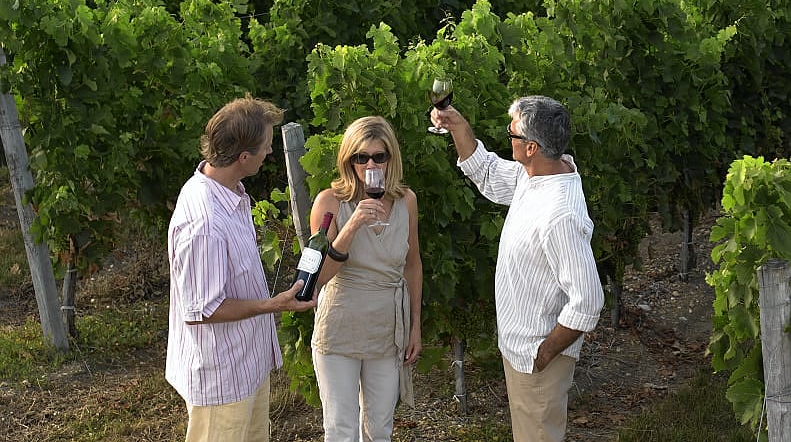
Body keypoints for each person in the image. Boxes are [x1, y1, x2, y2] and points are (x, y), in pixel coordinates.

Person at [430, 94, 605, 442]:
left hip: (536, 358)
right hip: (522, 351)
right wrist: (458, 127)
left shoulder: (559, 215)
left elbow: (588, 301)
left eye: (512, 134)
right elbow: (490, 173)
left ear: (531, 147)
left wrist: (545, 352)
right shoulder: (539, 175)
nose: (507, 137)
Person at [166, 94, 317, 442]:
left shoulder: (229, 191)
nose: (270, 153)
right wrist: (272, 305)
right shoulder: (204, 223)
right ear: (243, 156)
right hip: (221, 377)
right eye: (265, 146)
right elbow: (202, 310)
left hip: (245, 365)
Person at [307, 116, 422, 442]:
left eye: (379, 157)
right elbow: (319, 277)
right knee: (341, 430)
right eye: (361, 157)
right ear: (349, 160)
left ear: (391, 158)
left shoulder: (406, 201)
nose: (370, 164)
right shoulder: (330, 202)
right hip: (340, 326)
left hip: (387, 329)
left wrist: (415, 325)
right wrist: (352, 225)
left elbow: (413, 265)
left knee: (380, 429)